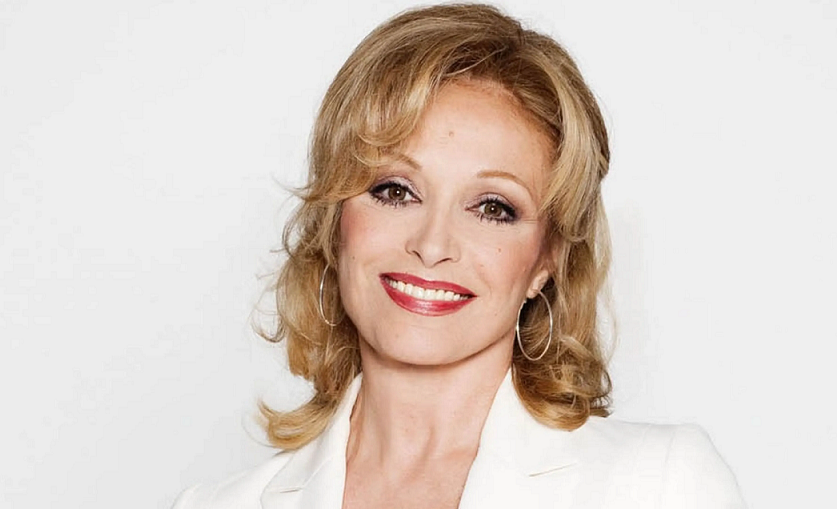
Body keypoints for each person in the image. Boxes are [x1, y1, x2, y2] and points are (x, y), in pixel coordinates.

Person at [172, 3, 745, 508]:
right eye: (394, 191)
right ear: (336, 222)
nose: (431, 245)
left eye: (493, 207)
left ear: (546, 259)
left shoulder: (662, 486)